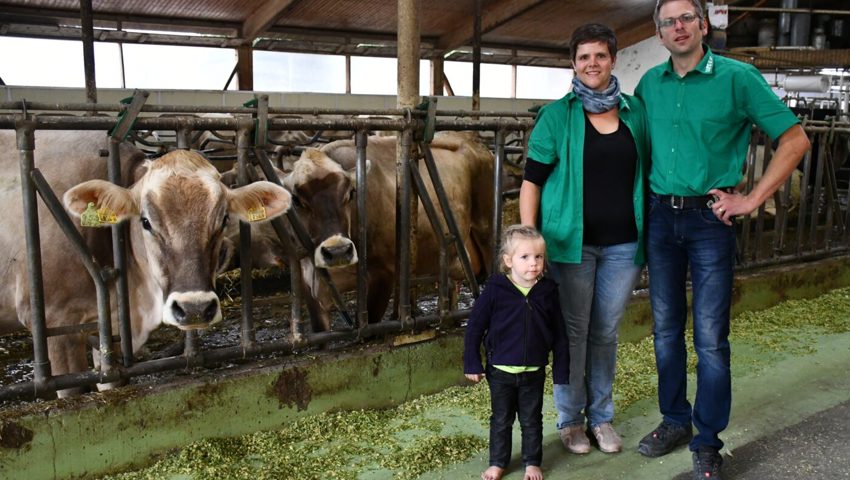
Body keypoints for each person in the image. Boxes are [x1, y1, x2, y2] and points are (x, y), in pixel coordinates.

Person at [634, 1, 811, 479]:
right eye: (668, 22)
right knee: (666, 331)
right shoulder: (649, 84)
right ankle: (674, 421)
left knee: (710, 339)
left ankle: (707, 441)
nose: (679, 27)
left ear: (704, 23)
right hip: (659, 218)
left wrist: (752, 198)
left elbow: (795, 140)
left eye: (687, 18)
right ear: (659, 33)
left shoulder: (738, 77)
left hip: (710, 221)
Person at [518, 23, 649, 455]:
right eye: (584, 57)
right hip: (570, 244)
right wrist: (529, 239)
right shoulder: (557, 116)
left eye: (600, 55)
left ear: (613, 59)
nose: (592, 63)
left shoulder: (635, 113)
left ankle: (602, 417)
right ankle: (571, 421)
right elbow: (532, 182)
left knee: (605, 332)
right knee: (573, 332)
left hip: (624, 246)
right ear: (573, 63)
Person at [463, 225, 569, 480]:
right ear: (508, 261)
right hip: (500, 372)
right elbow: (475, 327)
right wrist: (472, 363)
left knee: (532, 420)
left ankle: (532, 462)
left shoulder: (548, 291)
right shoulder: (495, 290)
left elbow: (560, 334)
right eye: (525, 257)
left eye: (538, 257)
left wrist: (561, 370)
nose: (533, 264)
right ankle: (498, 462)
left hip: (534, 371)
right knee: (501, 420)